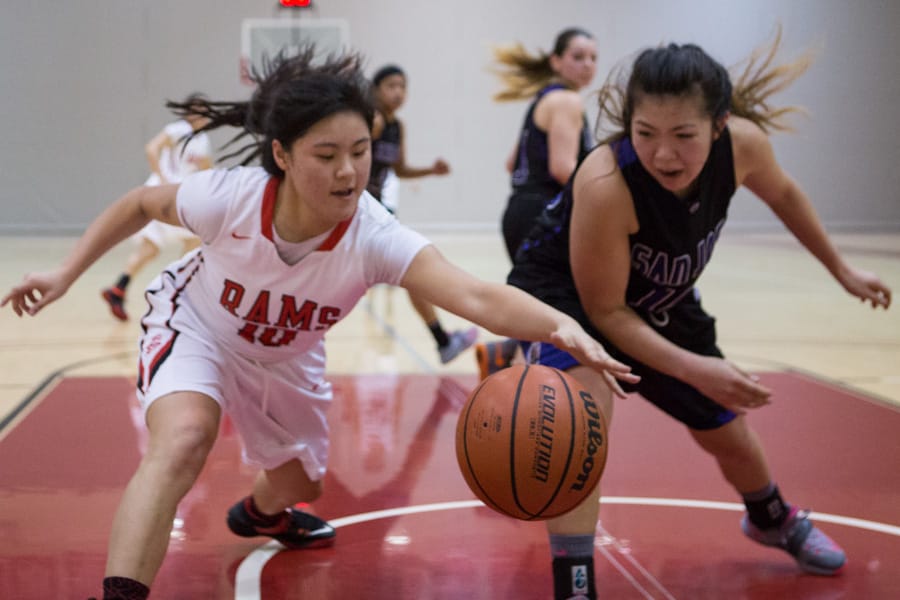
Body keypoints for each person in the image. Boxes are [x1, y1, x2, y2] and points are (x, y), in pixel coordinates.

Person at [1, 48, 637, 600]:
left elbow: (476, 295)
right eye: (326, 154)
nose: (347, 172)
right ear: (281, 154)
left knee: (301, 483)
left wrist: (562, 326)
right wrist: (65, 274)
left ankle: (261, 515)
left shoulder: (374, 236)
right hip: (198, 327)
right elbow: (141, 203)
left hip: (288, 358)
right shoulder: (232, 197)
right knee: (185, 438)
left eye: (359, 152)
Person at [506, 32, 892, 598]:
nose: (664, 154)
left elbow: (783, 194)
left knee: (729, 433)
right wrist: (693, 368)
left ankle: (770, 518)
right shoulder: (607, 181)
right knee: (581, 423)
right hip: (569, 295)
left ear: (719, 124)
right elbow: (606, 312)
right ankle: (576, 582)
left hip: (660, 298)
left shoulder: (745, 146)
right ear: (628, 125)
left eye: (684, 135)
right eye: (645, 134)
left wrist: (841, 269)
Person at [475, 28, 598, 380]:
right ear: (556, 61)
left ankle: (505, 356)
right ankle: (522, 379)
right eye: (578, 57)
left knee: (537, 301)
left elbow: (511, 163)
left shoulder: (543, 100)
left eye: (592, 58)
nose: (587, 65)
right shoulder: (567, 102)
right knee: (557, 307)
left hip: (519, 211)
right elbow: (563, 169)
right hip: (545, 215)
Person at [368, 64, 477, 364]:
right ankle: (443, 342)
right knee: (413, 268)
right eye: (391, 85)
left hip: (377, 212)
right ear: (375, 90)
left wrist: (431, 170)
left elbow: (399, 169)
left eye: (403, 86)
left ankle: (443, 342)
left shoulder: (396, 126)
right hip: (360, 212)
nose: (398, 92)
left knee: (412, 271)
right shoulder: (373, 122)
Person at [101, 96, 213, 321]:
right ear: (190, 112)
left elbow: (206, 167)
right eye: (199, 110)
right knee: (193, 243)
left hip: (175, 195)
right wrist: (163, 178)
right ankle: (179, 296)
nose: (202, 115)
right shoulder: (178, 129)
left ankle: (118, 289)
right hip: (166, 196)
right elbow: (152, 148)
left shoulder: (202, 140)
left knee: (150, 249)